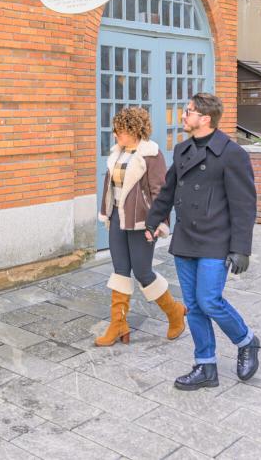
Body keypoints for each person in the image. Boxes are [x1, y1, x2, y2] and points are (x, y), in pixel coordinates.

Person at [145, 92, 261, 389]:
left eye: (188, 112)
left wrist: (240, 249)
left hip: (216, 239)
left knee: (210, 300)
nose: (183, 116)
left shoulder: (232, 154)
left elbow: (244, 205)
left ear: (205, 119)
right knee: (194, 306)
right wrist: (153, 220)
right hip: (186, 239)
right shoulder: (182, 150)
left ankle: (246, 340)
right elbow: (168, 191)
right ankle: (205, 366)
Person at [95, 107, 187, 347]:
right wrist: (106, 214)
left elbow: (160, 191)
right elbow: (110, 188)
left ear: (133, 130)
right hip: (118, 219)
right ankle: (118, 324)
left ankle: (175, 312)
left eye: (120, 131)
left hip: (141, 222)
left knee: (143, 272)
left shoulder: (151, 154)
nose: (116, 135)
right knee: (120, 270)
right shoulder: (117, 153)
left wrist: (157, 223)